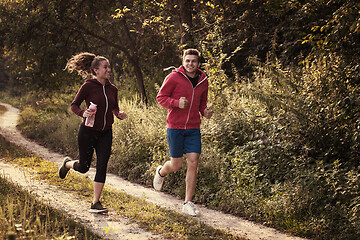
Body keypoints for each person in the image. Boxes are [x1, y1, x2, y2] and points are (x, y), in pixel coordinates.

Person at [59, 52, 127, 213]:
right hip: (88, 132)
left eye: (109, 67)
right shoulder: (88, 86)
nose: (109, 70)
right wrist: (82, 113)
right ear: (96, 70)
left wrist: (118, 113)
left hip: (106, 133)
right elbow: (74, 105)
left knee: (102, 166)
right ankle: (68, 164)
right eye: (105, 67)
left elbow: (114, 107)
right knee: (83, 167)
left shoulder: (113, 89)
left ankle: (95, 203)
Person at [153, 48, 213, 216]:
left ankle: (187, 202)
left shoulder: (203, 80)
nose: (190, 64)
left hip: (193, 128)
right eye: (187, 61)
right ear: (183, 62)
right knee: (176, 165)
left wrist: (205, 111)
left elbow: (202, 103)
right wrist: (175, 103)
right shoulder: (173, 77)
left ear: (198, 64)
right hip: (175, 127)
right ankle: (161, 172)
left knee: (193, 162)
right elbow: (161, 98)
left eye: (193, 61)